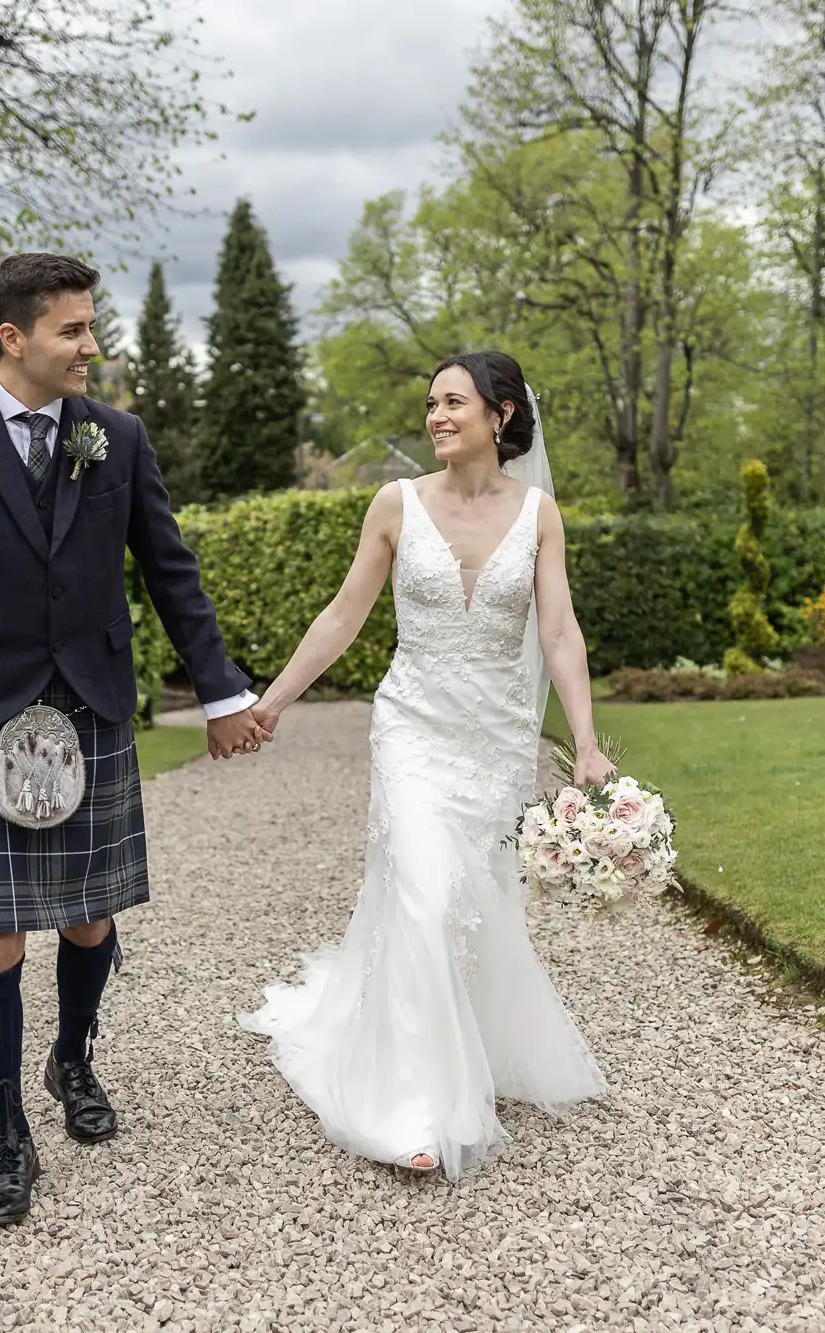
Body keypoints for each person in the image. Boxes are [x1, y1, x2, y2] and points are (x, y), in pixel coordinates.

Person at [0, 252, 268, 1226]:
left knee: (89, 915)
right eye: (73, 329)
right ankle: (7, 1132)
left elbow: (171, 572)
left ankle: (72, 1058)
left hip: (89, 706)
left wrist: (221, 690)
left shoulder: (115, 439)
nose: (92, 345)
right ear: (14, 338)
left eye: (92, 326)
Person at [239, 351, 609, 1179]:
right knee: (424, 891)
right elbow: (344, 614)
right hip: (412, 728)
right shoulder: (395, 503)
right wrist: (274, 701)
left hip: (498, 740)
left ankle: (458, 1043)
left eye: (454, 402)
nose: (437, 416)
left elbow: (558, 632)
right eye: (432, 403)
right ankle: (409, 1103)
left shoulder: (540, 514)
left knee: (469, 904)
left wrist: (584, 743)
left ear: (500, 415)